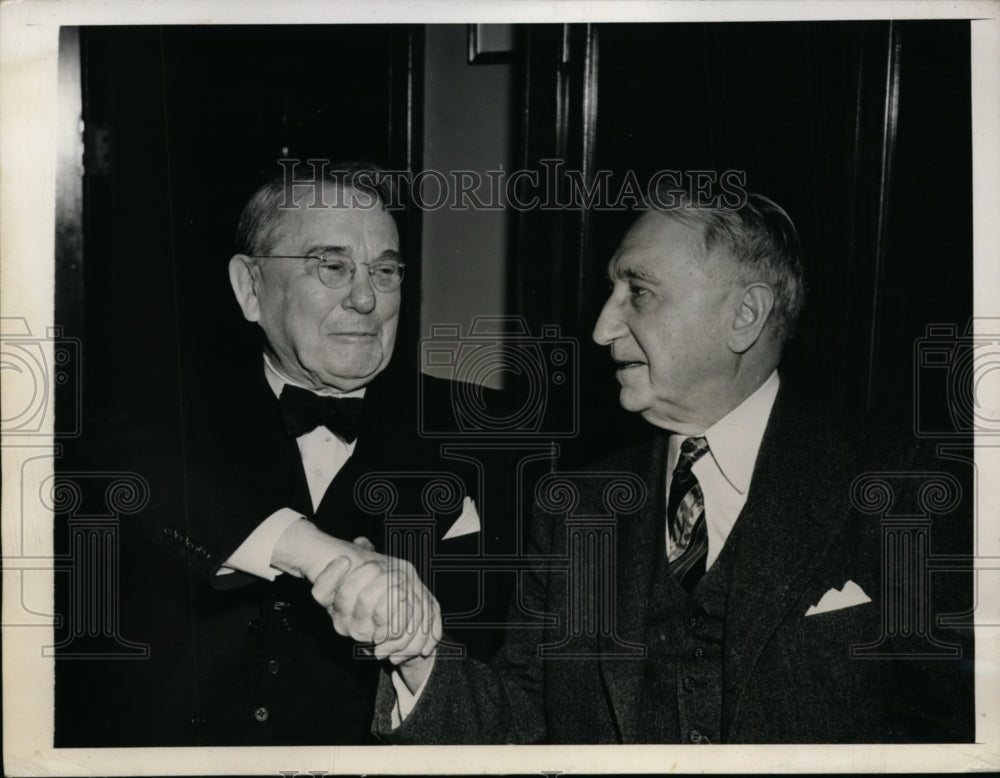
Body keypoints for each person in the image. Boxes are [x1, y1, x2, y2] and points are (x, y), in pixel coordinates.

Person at [310, 190, 974, 743]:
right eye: (611, 292)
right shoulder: (574, 506)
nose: (602, 328)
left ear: (744, 316)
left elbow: (957, 731)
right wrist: (415, 649)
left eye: (640, 293)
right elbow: (522, 726)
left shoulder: (901, 485)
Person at [54, 163, 524, 746]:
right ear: (250, 288)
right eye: (332, 266)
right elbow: (125, 468)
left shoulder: (487, 431)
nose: (366, 299)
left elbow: (504, 684)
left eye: (384, 271)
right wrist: (326, 556)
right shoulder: (155, 406)